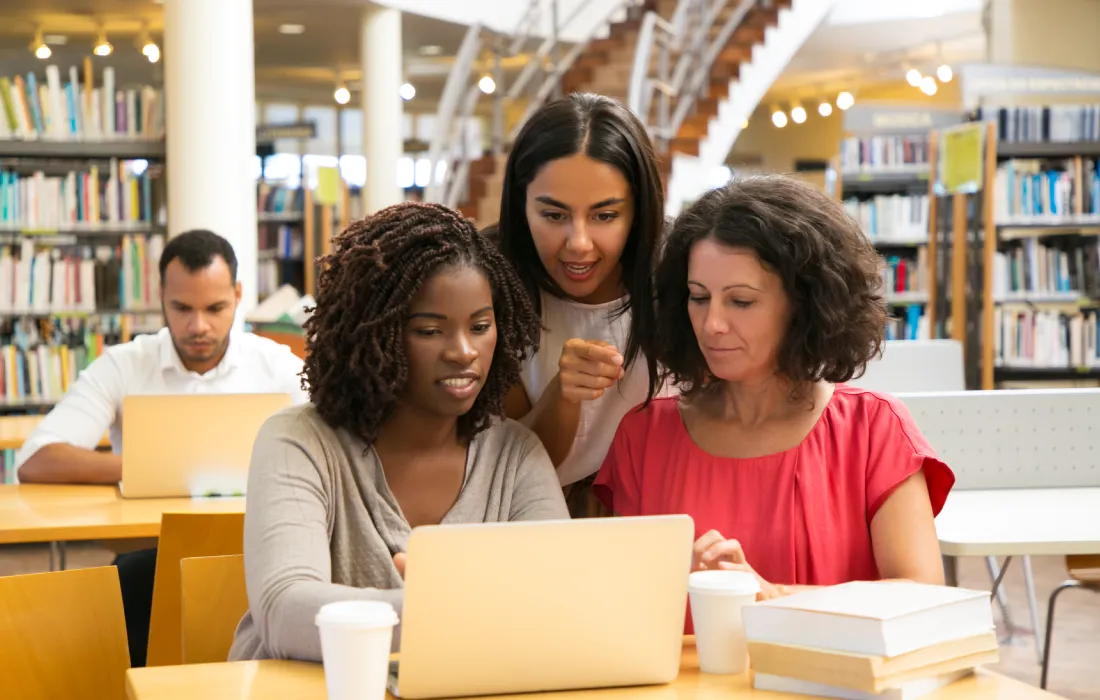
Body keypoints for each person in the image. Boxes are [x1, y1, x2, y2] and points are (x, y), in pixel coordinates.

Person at [229, 202, 569, 663]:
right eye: (430, 330)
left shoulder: (516, 455)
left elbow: (558, 600)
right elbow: (285, 612)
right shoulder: (298, 442)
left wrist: (442, 611)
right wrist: (451, 611)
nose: (463, 351)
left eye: (480, 327)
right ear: (374, 333)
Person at [593, 175, 955, 604]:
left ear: (804, 304)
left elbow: (923, 596)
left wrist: (772, 596)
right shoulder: (644, 437)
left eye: (741, 301)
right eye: (698, 297)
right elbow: (620, 602)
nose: (712, 324)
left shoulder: (874, 430)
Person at [16, 228, 307, 667]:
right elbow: (37, 460)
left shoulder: (276, 365)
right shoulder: (125, 364)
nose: (198, 326)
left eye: (215, 308)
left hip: (258, 557)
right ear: (161, 298)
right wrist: (152, 466)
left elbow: (340, 441)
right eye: (182, 308)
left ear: (238, 296)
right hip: (149, 561)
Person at [491, 92, 668, 516]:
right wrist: (563, 394)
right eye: (554, 215)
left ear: (638, 212)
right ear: (521, 204)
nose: (579, 244)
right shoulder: (489, 283)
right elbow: (504, 471)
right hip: (533, 520)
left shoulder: (681, 278)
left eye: (605, 216)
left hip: (665, 518)